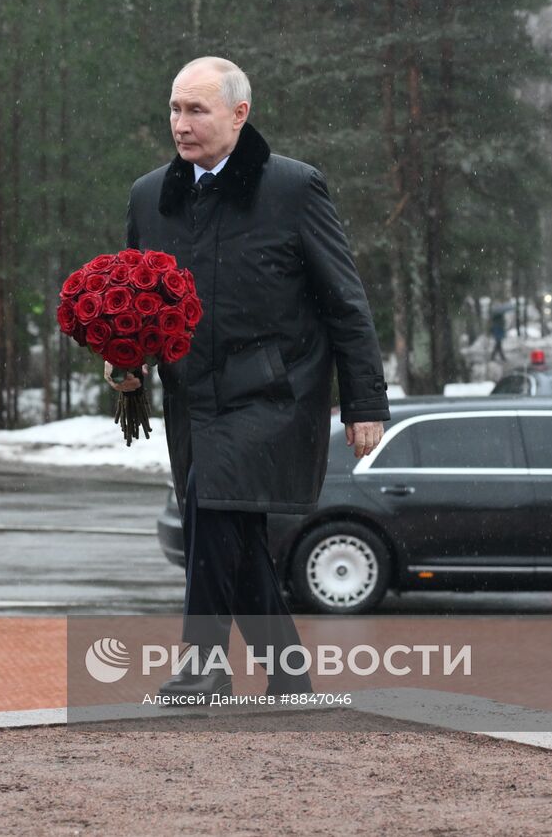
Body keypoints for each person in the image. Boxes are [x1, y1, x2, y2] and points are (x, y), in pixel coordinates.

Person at [115, 56, 390, 699]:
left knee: (212, 507)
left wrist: (364, 404)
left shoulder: (294, 188)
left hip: (273, 389)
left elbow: (345, 301)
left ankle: (203, 663)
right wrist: (123, 358)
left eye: (197, 110)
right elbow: (137, 298)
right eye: (175, 110)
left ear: (240, 115)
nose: (181, 125)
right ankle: (289, 675)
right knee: (228, 528)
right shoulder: (149, 195)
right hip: (191, 394)